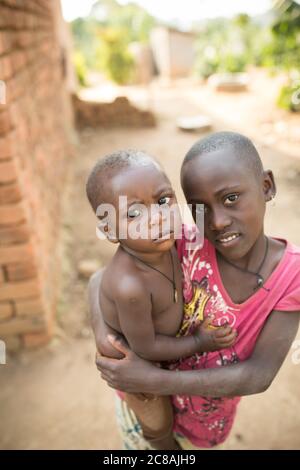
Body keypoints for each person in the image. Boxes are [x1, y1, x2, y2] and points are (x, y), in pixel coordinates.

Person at [92, 132, 300, 450]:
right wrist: (107, 342)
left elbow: (258, 375)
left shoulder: (291, 277)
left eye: (231, 198)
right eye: (200, 207)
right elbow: (101, 282)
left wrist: (152, 380)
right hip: (146, 419)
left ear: (266, 186)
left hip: (203, 425)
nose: (216, 222)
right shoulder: (180, 241)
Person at [86, 149, 236, 450]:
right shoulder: (131, 286)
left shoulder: (171, 242)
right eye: (133, 214)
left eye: (163, 200)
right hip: (143, 376)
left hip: (169, 368)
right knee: (160, 435)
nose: (157, 219)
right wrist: (200, 343)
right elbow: (146, 347)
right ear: (109, 230)